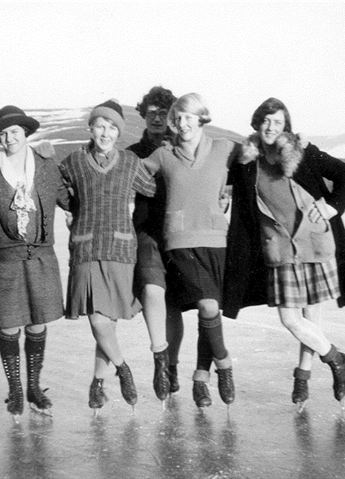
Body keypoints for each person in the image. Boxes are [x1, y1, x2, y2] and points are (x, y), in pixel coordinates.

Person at [223, 98, 345, 411]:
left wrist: (332, 207)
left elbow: (344, 174)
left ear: (286, 125)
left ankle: (303, 376)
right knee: (291, 318)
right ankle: (338, 360)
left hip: (313, 241)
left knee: (311, 317)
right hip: (280, 247)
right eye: (266, 121)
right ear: (256, 123)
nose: (271, 127)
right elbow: (222, 182)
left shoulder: (303, 151)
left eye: (278, 122)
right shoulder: (247, 158)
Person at [0, 105, 69, 420]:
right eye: (3, 133)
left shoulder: (46, 166)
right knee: (9, 325)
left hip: (40, 256)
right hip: (4, 257)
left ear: (26, 134)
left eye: (14, 131)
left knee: (38, 323)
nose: (9, 138)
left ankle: (34, 387)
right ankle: (14, 390)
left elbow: (70, 198)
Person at [144, 93, 241, 410]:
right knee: (208, 304)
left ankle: (201, 377)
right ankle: (224, 364)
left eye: (189, 116)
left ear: (202, 118)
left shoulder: (224, 148)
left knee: (207, 312)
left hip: (216, 238)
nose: (183, 123)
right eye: (178, 117)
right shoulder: (164, 153)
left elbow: (255, 166)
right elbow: (127, 175)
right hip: (180, 240)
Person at [59, 99, 156, 414]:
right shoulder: (74, 161)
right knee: (99, 321)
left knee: (107, 325)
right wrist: (71, 206)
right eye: (100, 125)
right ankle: (123, 368)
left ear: (119, 132)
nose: (105, 132)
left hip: (119, 249)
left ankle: (98, 384)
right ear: (91, 128)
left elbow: (153, 190)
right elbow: (56, 187)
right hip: (86, 248)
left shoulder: (129, 162)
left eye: (112, 127)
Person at [126, 86, 184, 403]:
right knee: (151, 290)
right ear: (144, 115)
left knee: (173, 306)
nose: (158, 118)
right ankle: (159, 360)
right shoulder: (133, 153)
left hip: (180, 234)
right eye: (152, 112)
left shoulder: (184, 149)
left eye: (164, 112)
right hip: (147, 231)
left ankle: (172, 367)